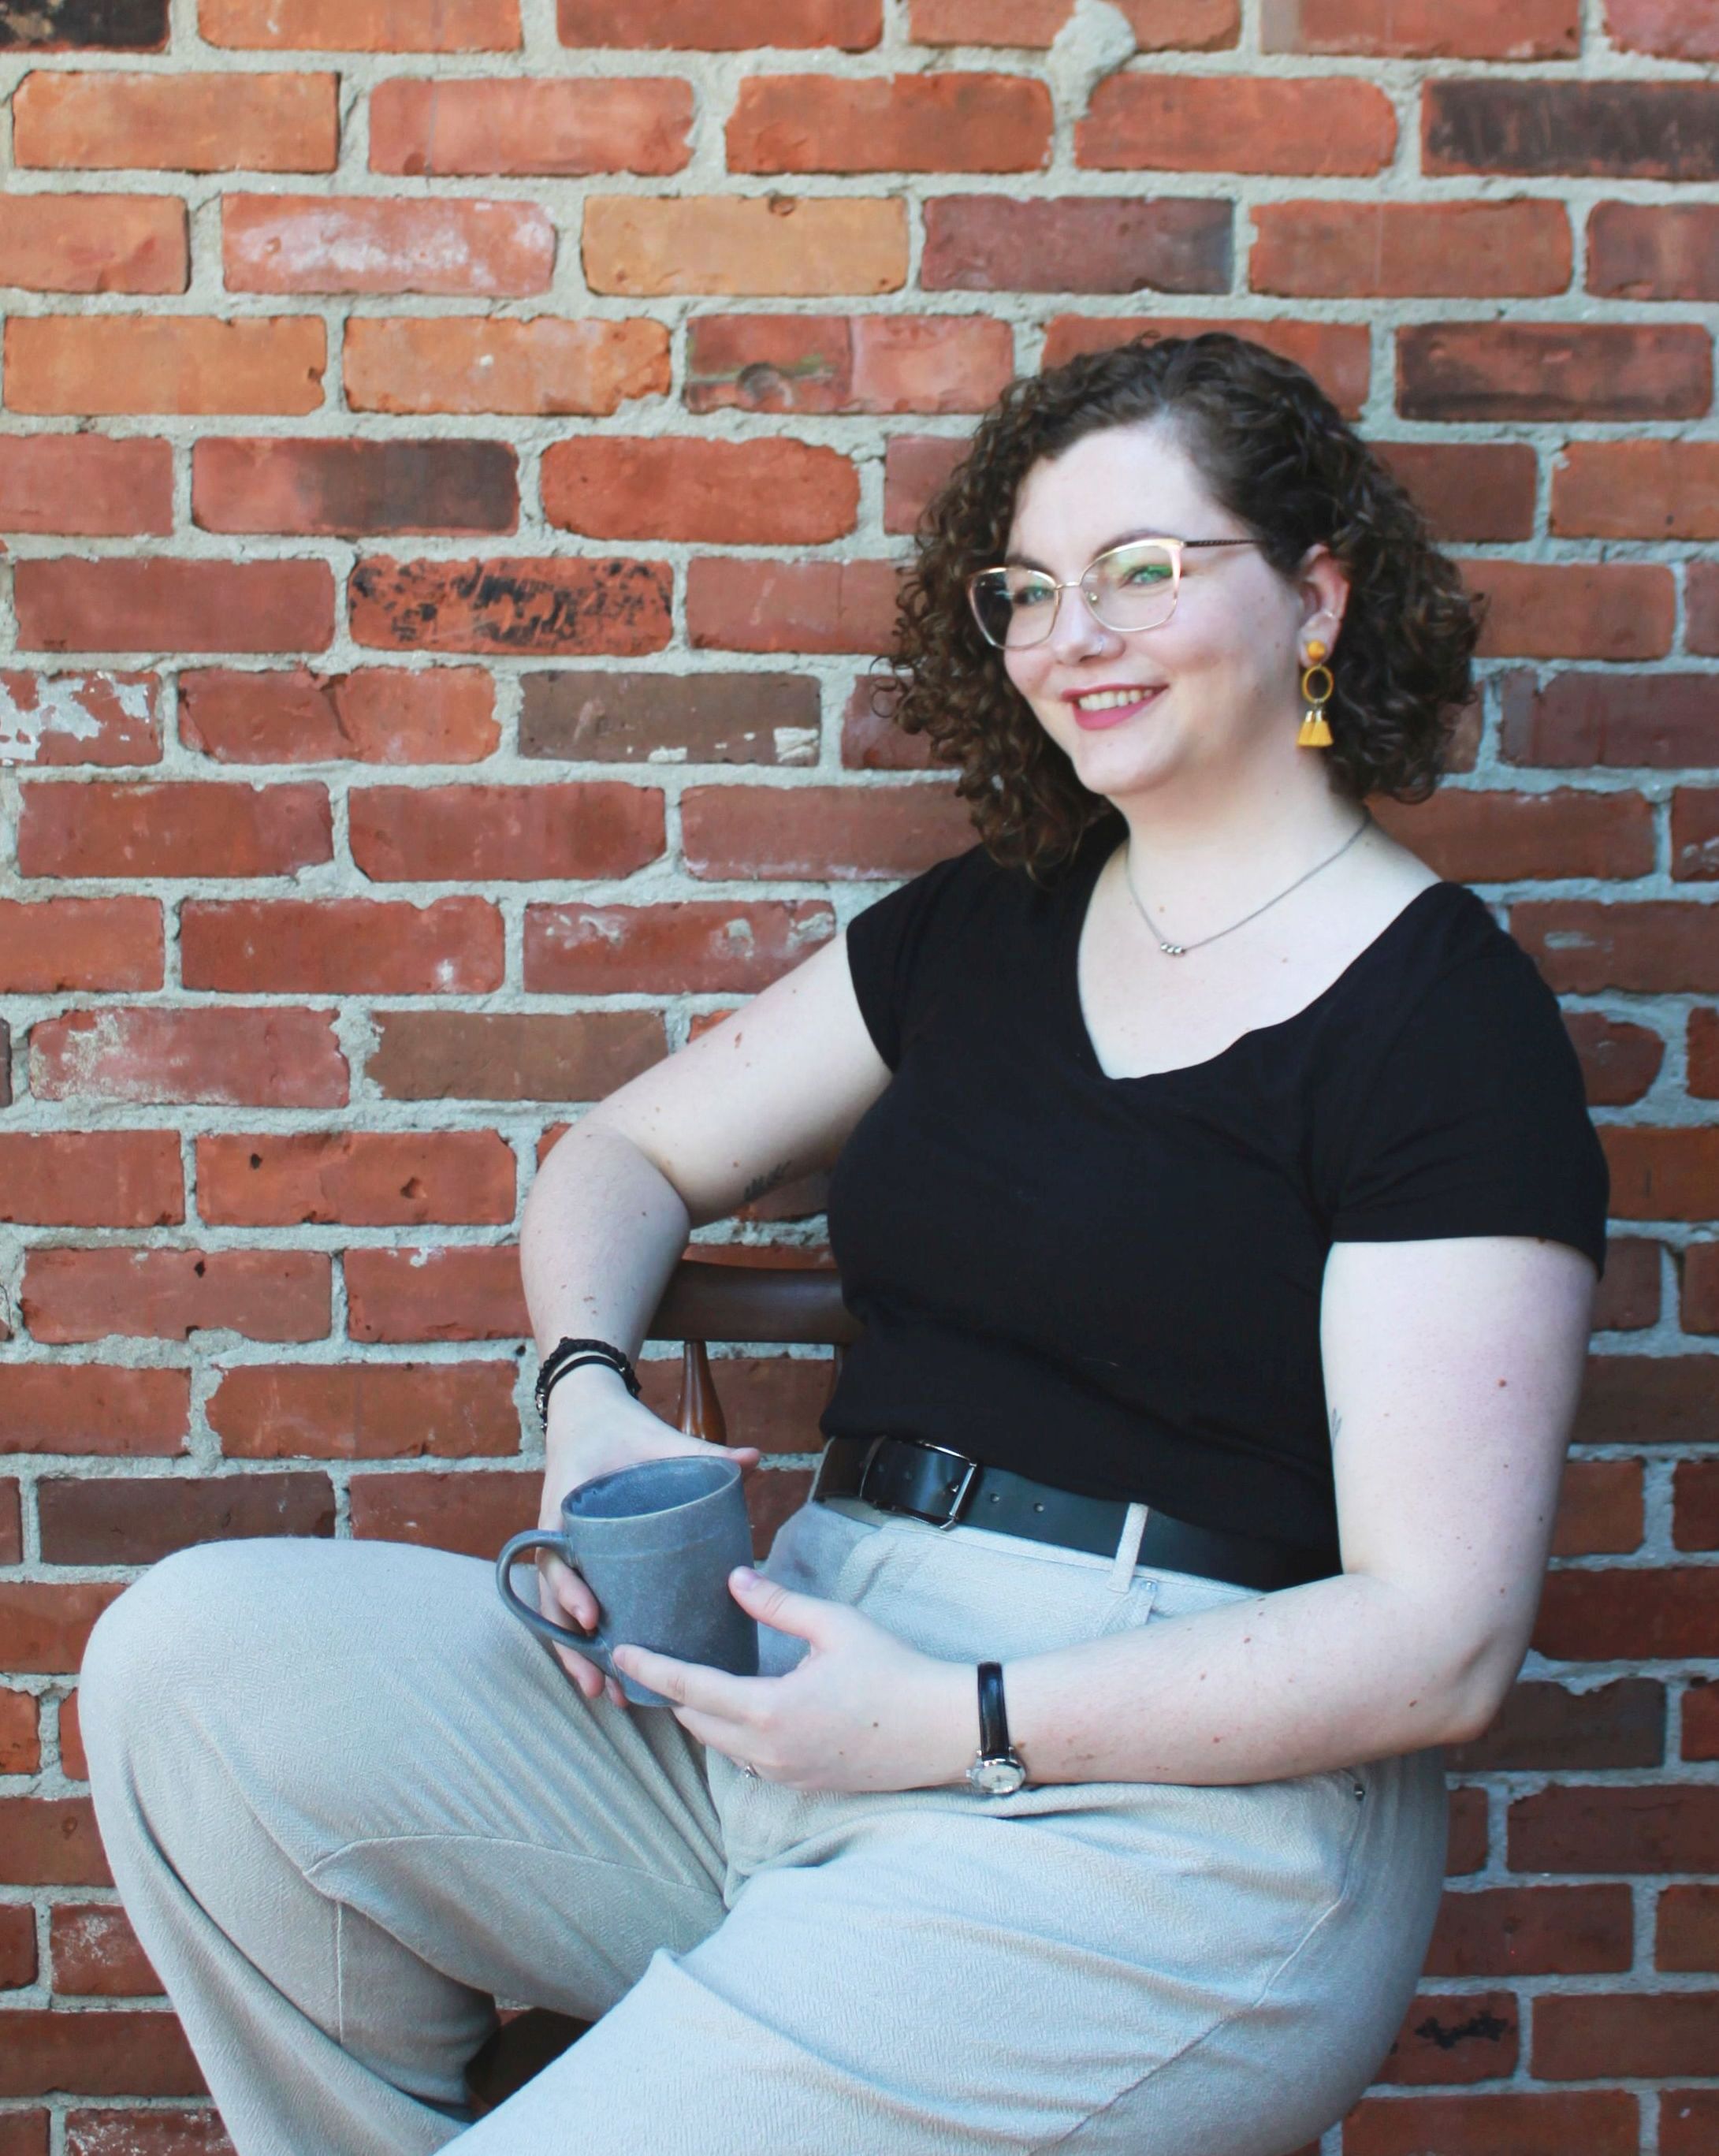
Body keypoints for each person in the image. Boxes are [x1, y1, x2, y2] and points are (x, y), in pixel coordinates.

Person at [80, 331, 1606, 2156]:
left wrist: (957, 1721)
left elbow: (1436, 1645)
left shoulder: (1441, 1022)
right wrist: (585, 1396)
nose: (1072, 635)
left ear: (1315, 598)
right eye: (1027, 591)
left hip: (1158, 1827)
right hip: (805, 1679)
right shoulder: (983, 927)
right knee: (195, 1655)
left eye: (1142, 569)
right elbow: (623, 1150)